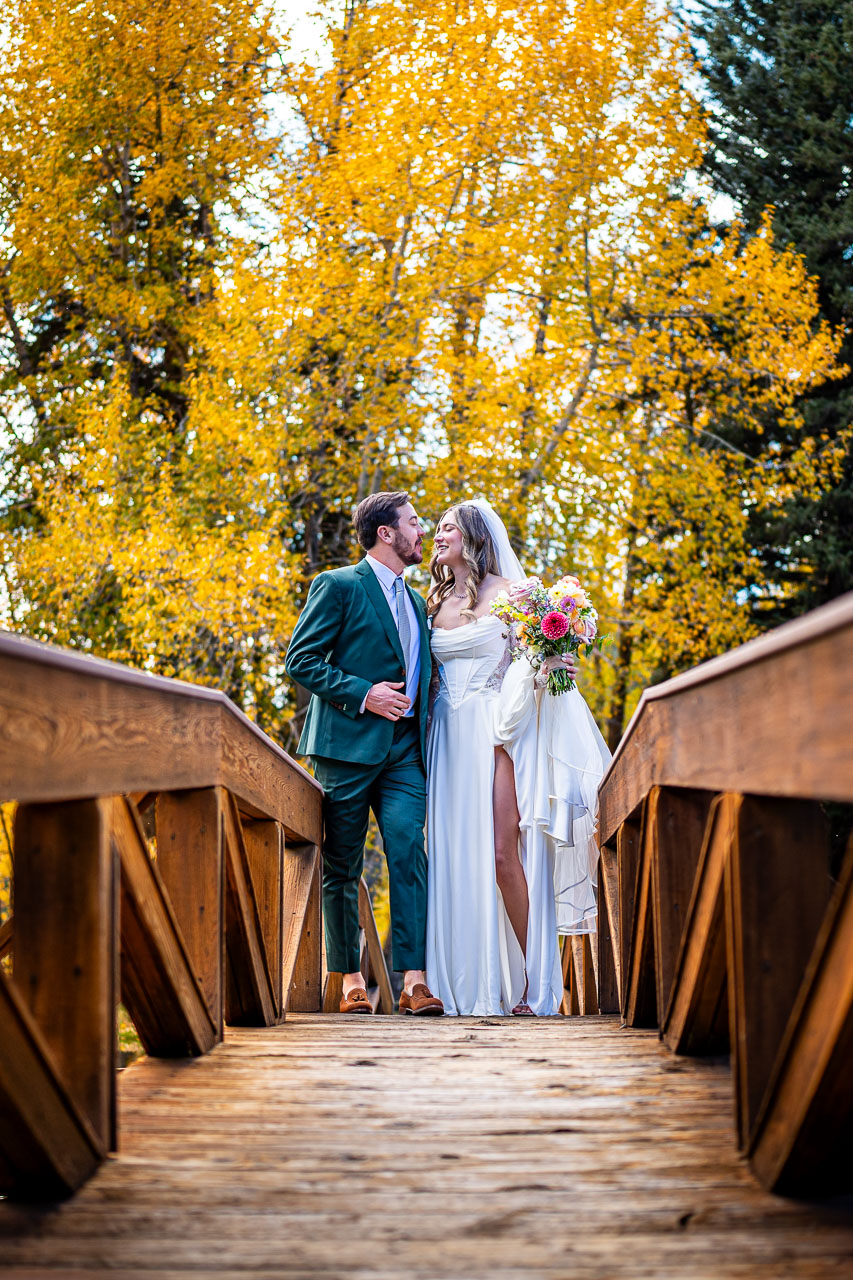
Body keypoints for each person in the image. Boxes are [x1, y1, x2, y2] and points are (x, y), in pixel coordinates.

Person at [425, 499, 611, 1016]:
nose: (437, 537)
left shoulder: (512, 596)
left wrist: (558, 660)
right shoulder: (431, 603)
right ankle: (459, 983)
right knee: (452, 856)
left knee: (505, 854)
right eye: (436, 529)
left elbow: (537, 660)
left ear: (474, 537)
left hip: (497, 734)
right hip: (444, 738)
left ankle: (535, 984)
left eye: (447, 529)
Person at [285, 491, 444, 1015]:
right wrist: (363, 693)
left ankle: (413, 980)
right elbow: (301, 661)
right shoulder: (338, 586)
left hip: (405, 754)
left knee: (408, 857)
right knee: (342, 865)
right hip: (346, 749)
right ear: (386, 533)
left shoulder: (419, 603)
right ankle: (350, 979)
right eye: (414, 524)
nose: (422, 532)